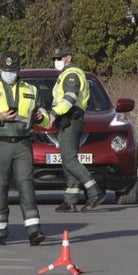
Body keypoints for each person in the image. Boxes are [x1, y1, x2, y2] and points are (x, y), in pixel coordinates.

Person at [0, 50, 52, 246]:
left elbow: (47, 120)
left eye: (13, 70)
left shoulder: (31, 90)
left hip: (23, 143)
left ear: (18, 70)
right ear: (1, 69)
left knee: (26, 186)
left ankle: (34, 231)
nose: (9, 73)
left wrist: (40, 118)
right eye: (6, 70)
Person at [50, 46, 106, 212]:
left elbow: (70, 97)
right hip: (68, 120)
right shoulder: (66, 74)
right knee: (68, 161)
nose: (56, 62)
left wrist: (54, 113)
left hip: (70, 119)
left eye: (59, 58)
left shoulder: (71, 74)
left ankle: (95, 191)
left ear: (69, 57)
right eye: (54, 59)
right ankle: (71, 199)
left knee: (69, 160)